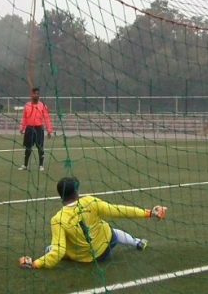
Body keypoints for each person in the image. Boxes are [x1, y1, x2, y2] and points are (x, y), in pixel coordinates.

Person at [19, 177, 166, 269]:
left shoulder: (57, 219)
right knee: (110, 229)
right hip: (107, 245)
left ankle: (67, 255)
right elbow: (119, 210)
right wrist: (149, 213)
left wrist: (35, 263)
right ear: (76, 193)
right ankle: (137, 242)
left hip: (86, 258)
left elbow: (58, 252)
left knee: (51, 249)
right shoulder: (90, 201)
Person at [18, 87, 52, 171]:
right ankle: (25, 165)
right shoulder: (27, 105)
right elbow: (24, 118)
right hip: (29, 129)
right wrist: (22, 127)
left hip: (38, 129)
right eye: (35, 93)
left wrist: (49, 130)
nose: (36, 95)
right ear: (31, 95)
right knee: (28, 147)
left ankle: (41, 165)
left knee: (40, 147)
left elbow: (46, 118)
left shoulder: (42, 106)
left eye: (38, 94)